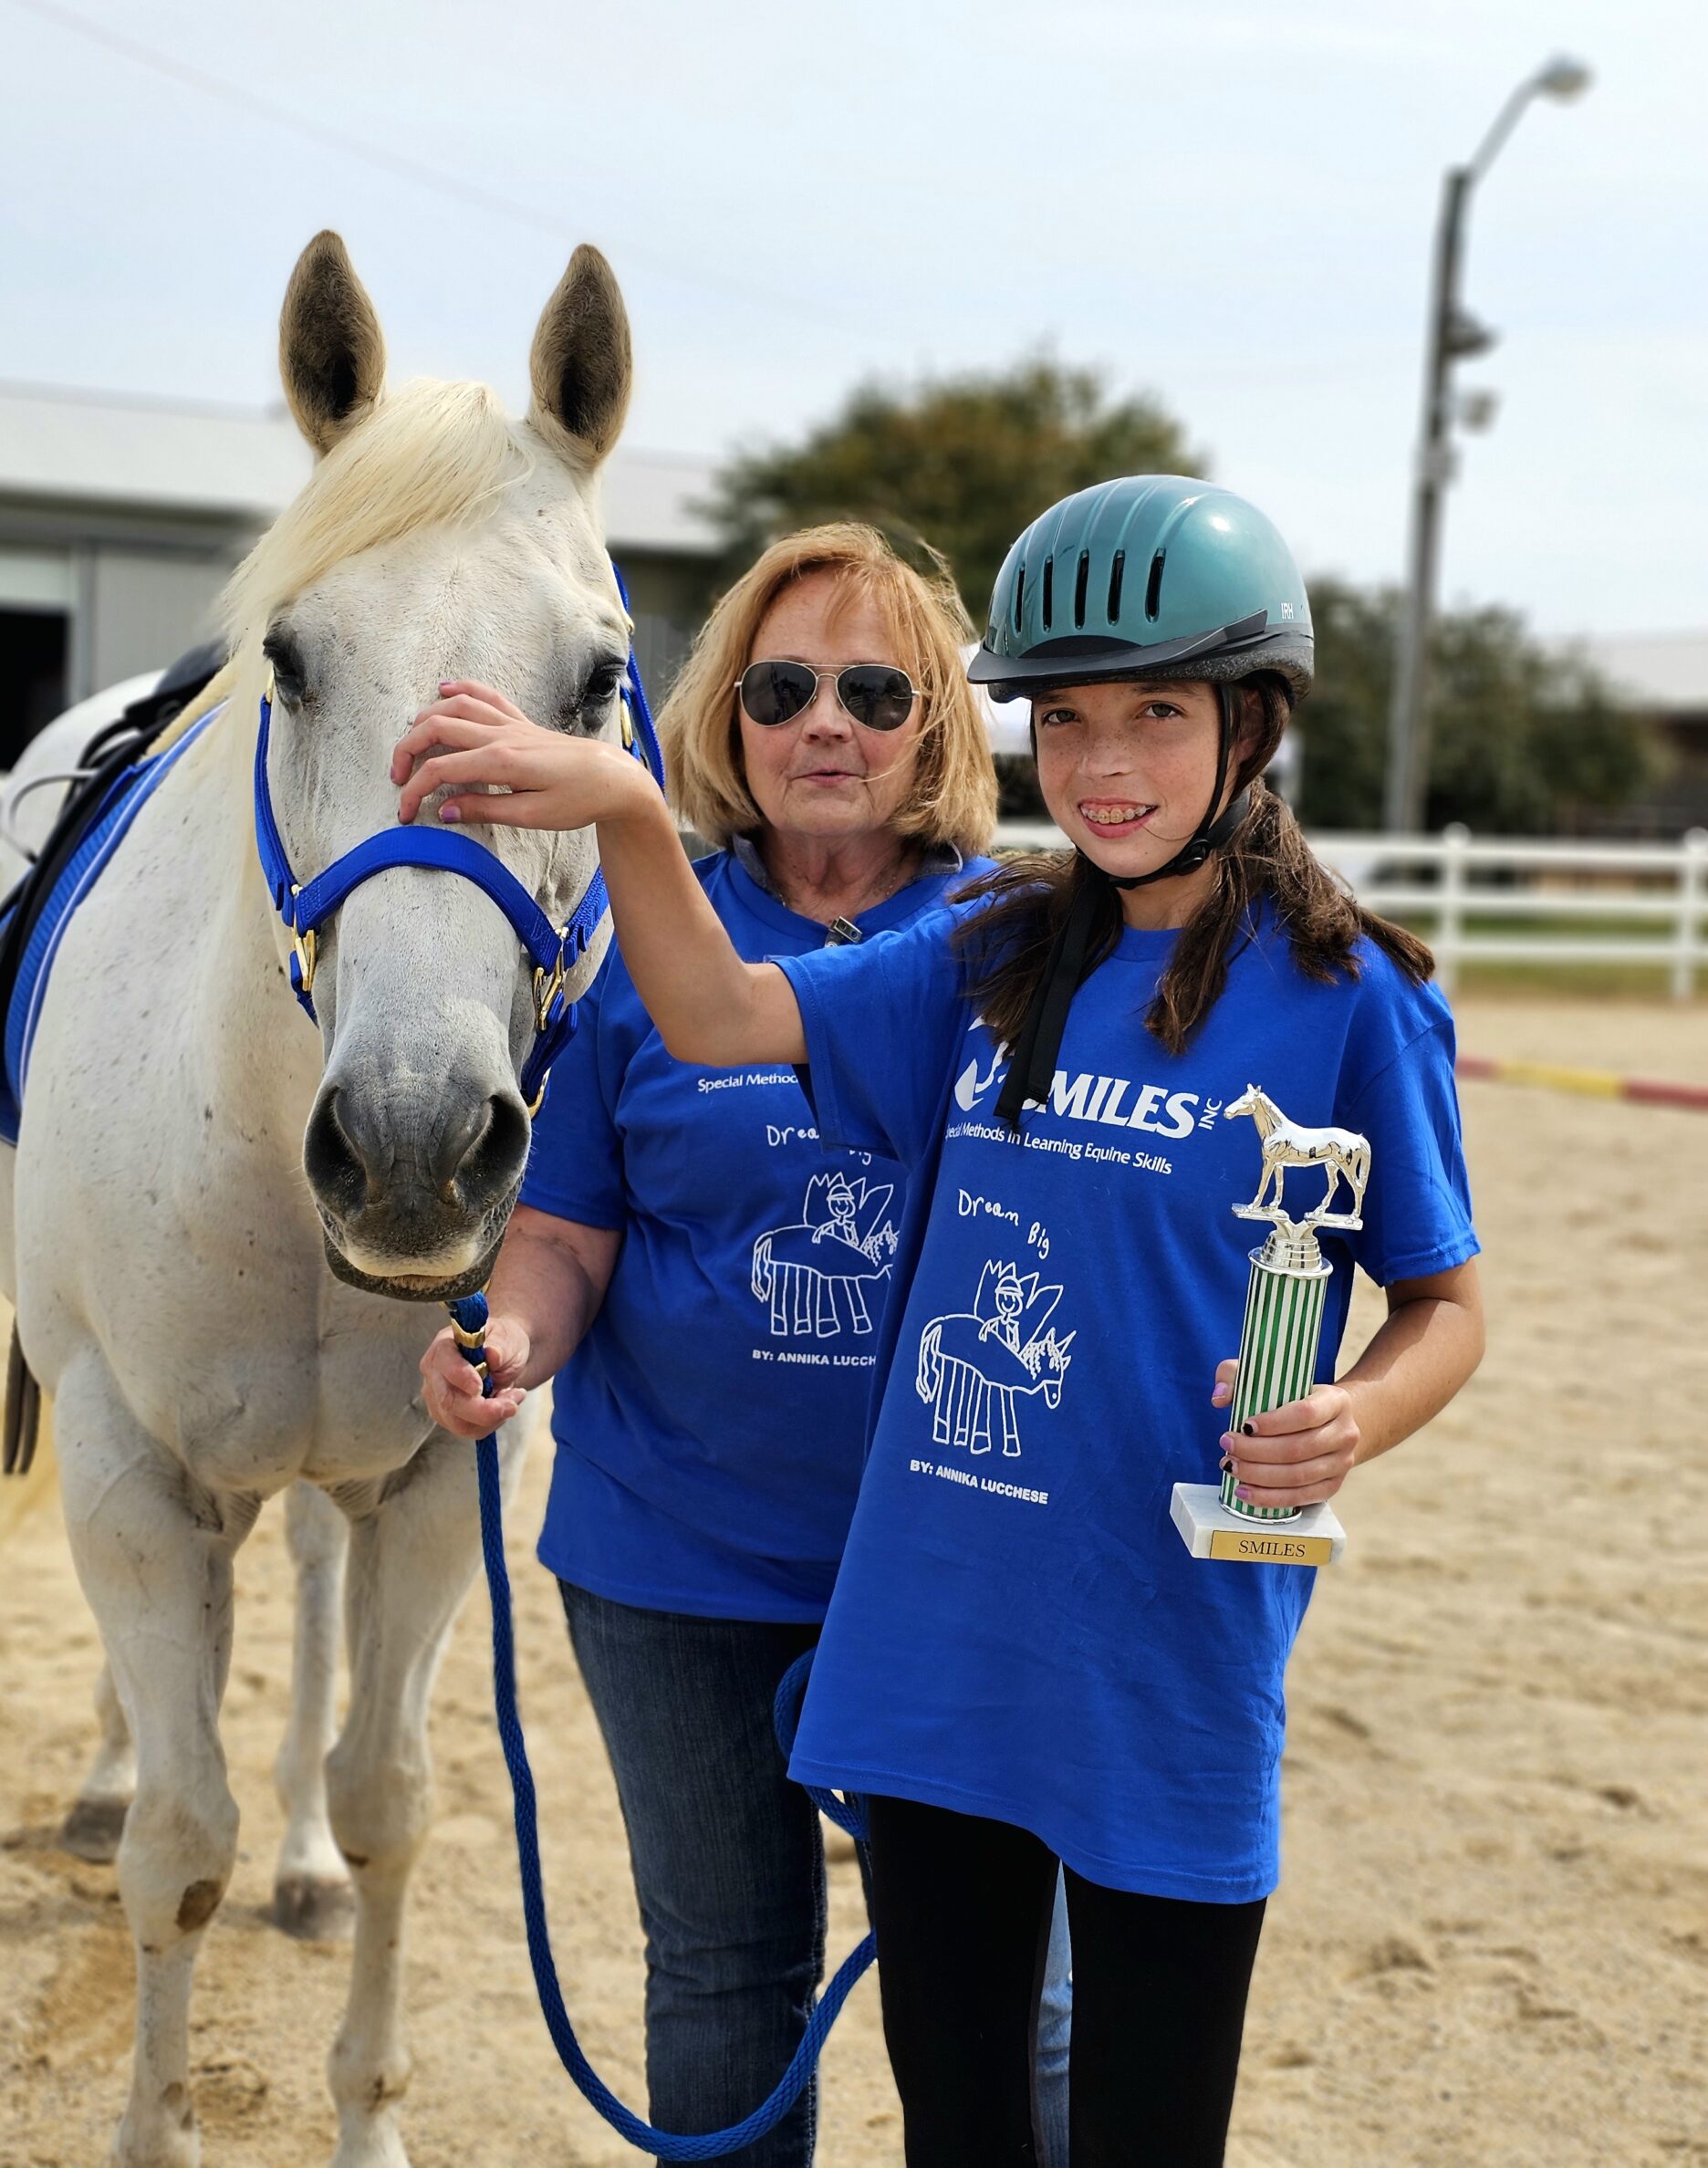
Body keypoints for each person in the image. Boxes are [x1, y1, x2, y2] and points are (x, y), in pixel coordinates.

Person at [391, 476, 1484, 2168]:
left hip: (1163, 1641)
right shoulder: (994, 950)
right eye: (1071, 718)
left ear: (1251, 723)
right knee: (954, 2118)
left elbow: (1447, 1303)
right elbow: (715, 1011)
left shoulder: (1358, 997)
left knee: (1131, 2116)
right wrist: (623, 806)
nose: (1104, 763)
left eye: (1157, 714)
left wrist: (1357, 1411)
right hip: (935, 1632)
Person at [412, 525, 1071, 2166]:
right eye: (782, 690)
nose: (824, 723)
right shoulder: (641, 940)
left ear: (937, 724)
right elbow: (568, 1231)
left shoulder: (1028, 943)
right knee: (720, 1974)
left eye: (874, 691)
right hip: (672, 1560)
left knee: (1013, 1999)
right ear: (729, 716)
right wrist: (509, 1340)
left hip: (952, 1568)